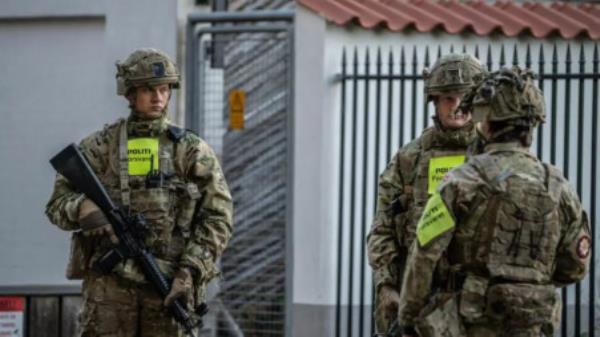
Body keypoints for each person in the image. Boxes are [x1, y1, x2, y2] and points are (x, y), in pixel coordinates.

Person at [45, 48, 233, 337]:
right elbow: (57, 204)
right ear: (130, 93)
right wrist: (82, 208)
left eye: (163, 89)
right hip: (109, 288)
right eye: (148, 89)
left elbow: (218, 216)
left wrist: (190, 270)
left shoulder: (190, 150)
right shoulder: (101, 147)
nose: (158, 97)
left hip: (168, 283)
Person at [396, 67, 590, 337]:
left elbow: (424, 255)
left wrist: (408, 317)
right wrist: (528, 282)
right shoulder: (558, 186)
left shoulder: (459, 182)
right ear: (532, 125)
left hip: (474, 322)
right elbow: (575, 267)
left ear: (486, 123)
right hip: (534, 323)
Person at [366, 54, 486, 333]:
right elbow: (382, 227)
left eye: (463, 97)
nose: (456, 106)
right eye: (447, 98)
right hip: (418, 301)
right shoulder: (409, 159)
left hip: (476, 304)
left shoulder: (491, 158)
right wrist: (386, 285)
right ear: (434, 101)